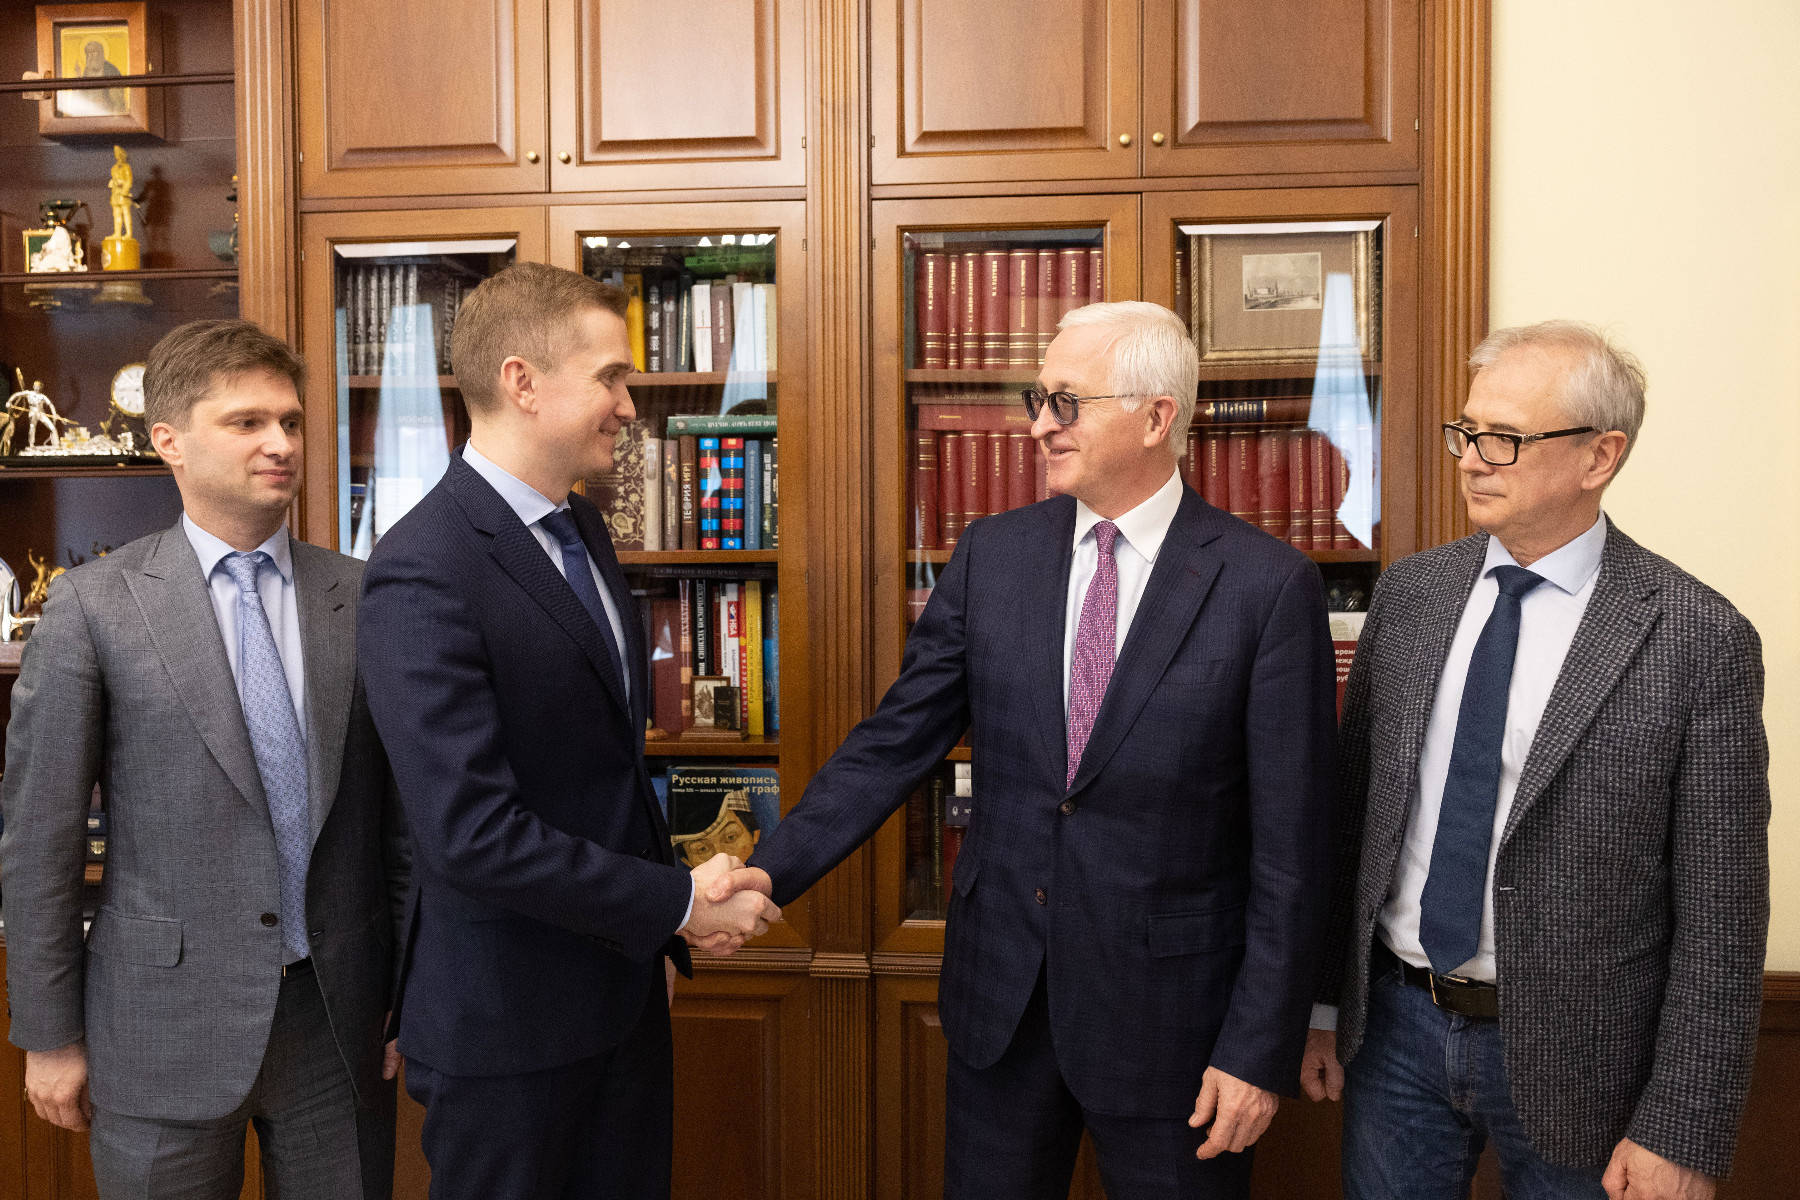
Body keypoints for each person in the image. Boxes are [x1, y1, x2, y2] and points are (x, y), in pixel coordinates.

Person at [711, 301, 1339, 1198]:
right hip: (1000, 1001)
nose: (1039, 424)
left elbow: (1294, 848)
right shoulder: (993, 555)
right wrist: (771, 872)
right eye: (1037, 399)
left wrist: (1256, 1048)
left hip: (1176, 1027)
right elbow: (894, 743)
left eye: (1065, 402)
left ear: (1156, 416)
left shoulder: (1267, 586)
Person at [1301, 321, 1770, 1200]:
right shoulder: (1410, 596)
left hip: (1587, 1064)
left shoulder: (1696, 637)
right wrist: (1326, 1005)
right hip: (1395, 1033)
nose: (1474, 460)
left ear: (1600, 456)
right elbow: (1354, 822)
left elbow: (1723, 915)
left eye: (1506, 439)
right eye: (1468, 432)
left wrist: (1682, 1130)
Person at [357, 262, 780, 1200]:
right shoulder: (422, 568)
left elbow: (607, 770)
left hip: (621, 1001)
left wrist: (653, 936)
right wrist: (674, 904)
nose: (629, 406)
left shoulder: (582, 526)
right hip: (507, 1031)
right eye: (611, 377)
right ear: (522, 382)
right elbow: (471, 833)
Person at [1, 318, 411, 1199]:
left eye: (290, 421)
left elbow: (400, 825)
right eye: (247, 422)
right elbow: (41, 841)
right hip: (159, 1031)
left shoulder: (363, 595)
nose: (281, 444)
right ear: (170, 441)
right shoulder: (95, 609)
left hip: (338, 1023)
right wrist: (49, 1035)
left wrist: (411, 992)